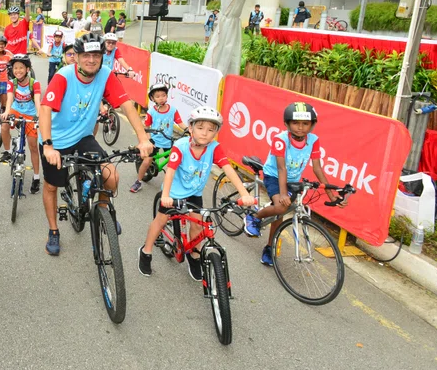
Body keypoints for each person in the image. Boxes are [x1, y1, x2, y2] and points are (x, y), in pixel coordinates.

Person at [38, 33, 153, 255]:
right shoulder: (63, 76)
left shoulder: (106, 75)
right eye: (86, 55)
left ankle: (103, 211)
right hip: (57, 139)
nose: (91, 60)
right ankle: (53, 230)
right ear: (77, 57)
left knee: (111, 177)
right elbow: (44, 109)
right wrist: (48, 146)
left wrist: (143, 138)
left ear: (102, 57)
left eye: (96, 55)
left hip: (83, 137)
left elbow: (127, 105)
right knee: (52, 186)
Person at [137, 107, 254, 279]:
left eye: (211, 130)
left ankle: (194, 256)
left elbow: (228, 170)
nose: (205, 133)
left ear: (216, 132)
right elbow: (170, 171)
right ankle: (146, 252)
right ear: (190, 128)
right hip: (174, 192)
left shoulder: (215, 148)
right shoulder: (180, 146)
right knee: (161, 220)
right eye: (200, 128)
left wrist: (244, 193)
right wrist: (165, 195)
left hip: (194, 193)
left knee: (198, 226)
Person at [243, 102, 340, 266]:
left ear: (312, 125)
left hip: (293, 180)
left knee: (280, 213)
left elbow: (317, 168)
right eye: (295, 123)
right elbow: (281, 168)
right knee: (281, 207)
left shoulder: (314, 140)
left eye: (305, 124)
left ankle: (269, 247)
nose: (300, 128)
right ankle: (254, 217)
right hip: (274, 175)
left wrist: (332, 194)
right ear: (287, 123)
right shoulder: (280, 139)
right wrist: (282, 195)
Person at [0, 54, 42, 194]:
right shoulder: (12, 83)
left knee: (33, 146)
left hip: (30, 113)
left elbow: (37, 101)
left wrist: (40, 115)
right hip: (15, 110)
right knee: (4, 125)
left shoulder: (34, 83)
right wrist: (6, 111)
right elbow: (10, 99)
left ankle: (36, 178)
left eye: (21, 68)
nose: (18, 71)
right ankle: (8, 151)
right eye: (15, 68)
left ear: (27, 69)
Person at [129, 84, 184, 193]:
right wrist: (149, 140)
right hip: (155, 140)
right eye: (158, 96)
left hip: (168, 141)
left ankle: (175, 185)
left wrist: (188, 130)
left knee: (175, 163)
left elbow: (180, 122)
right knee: (147, 161)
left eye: (163, 95)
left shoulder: (173, 110)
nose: (161, 98)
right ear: (153, 98)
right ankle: (138, 181)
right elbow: (146, 127)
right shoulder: (151, 112)